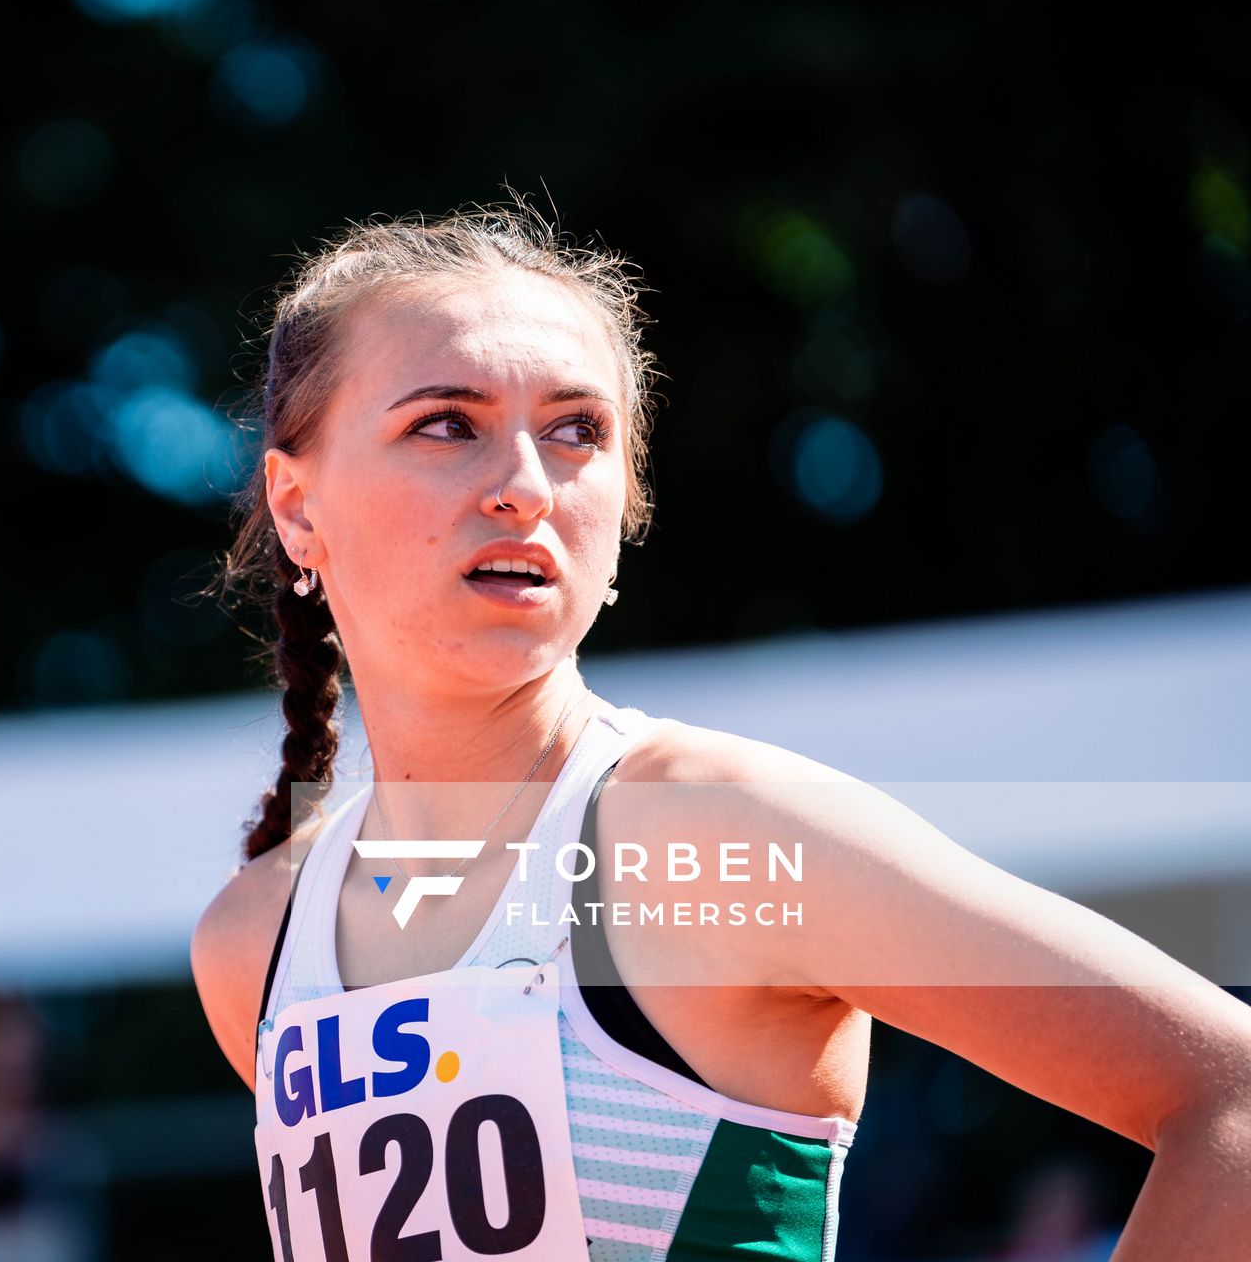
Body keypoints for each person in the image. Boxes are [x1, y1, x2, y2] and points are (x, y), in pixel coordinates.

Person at [188, 198, 1251, 1261]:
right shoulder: (255, 944)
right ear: (298, 506)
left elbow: (1232, 1098)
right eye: (447, 424)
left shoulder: (712, 830)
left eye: (577, 430)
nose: (525, 487)